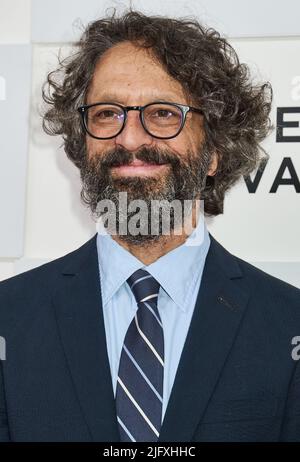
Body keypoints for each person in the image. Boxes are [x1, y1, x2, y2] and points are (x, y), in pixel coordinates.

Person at [0, 10, 299, 443]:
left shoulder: (287, 325)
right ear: (81, 146)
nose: (131, 139)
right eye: (107, 114)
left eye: (162, 113)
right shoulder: (10, 318)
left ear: (214, 150)